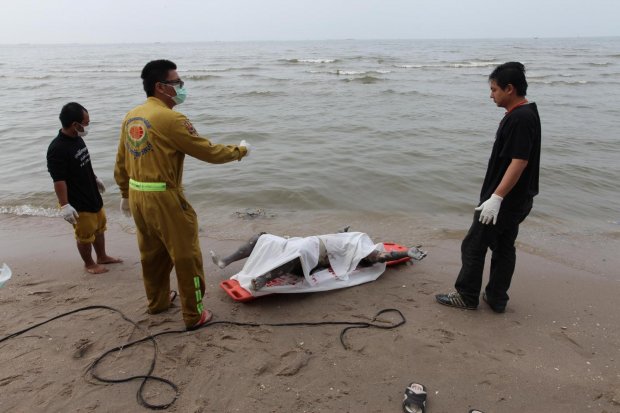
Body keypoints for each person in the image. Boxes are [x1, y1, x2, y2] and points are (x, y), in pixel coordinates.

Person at [114, 59, 250, 330]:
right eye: (177, 82)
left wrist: (124, 192)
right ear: (160, 87)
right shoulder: (172, 118)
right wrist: (240, 151)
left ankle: (158, 303)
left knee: (151, 255)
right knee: (187, 256)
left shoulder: (132, 115)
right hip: (164, 198)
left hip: (138, 196)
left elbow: (121, 160)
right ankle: (193, 314)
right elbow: (207, 150)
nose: (181, 87)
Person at [436, 62, 541, 313]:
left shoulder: (520, 118)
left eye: (494, 89)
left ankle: (467, 295)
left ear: (509, 89)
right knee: (504, 247)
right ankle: (496, 298)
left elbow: (520, 161)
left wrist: (496, 197)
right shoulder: (525, 113)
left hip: (505, 200)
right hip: (517, 199)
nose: (490, 94)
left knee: (473, 244)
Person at [210, 230, 427, 291]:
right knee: (262, 237)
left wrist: (406, 252)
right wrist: (341, 233)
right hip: (301, 242)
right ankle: (225, 261)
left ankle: (265, 278)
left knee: (301, 252)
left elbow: (381, 256)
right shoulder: (352, 239)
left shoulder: (362, 252)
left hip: (309, 254)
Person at [46, 102, 122, 274]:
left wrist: (94, 178)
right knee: (85, 234)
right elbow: (59, 180)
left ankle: (102, 256)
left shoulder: (77, 138)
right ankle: (89, 264)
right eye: (86, 122)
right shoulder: (57, 149)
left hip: (92, 193)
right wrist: (65, 205)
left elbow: (85, 161)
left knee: (100, 227)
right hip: (78, 201)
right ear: (75, 124)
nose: (88, 126)